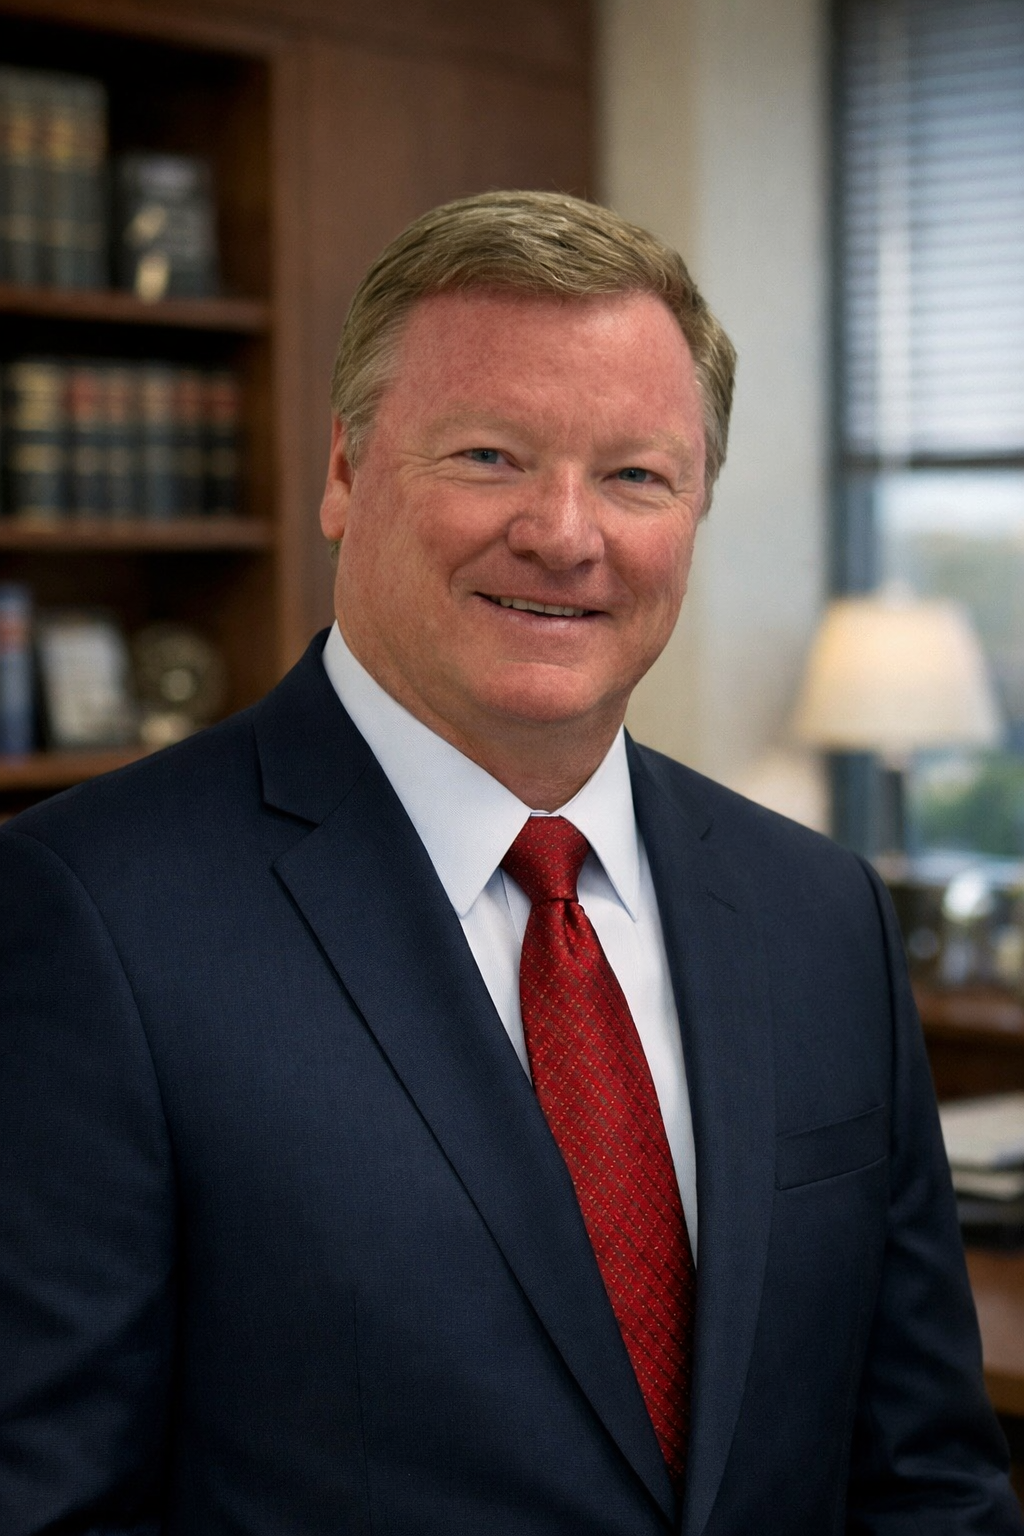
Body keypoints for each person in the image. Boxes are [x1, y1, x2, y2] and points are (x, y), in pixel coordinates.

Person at [1, 191, 1021, 1536]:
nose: (564, 533)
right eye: (489, 455)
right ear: (346, 473)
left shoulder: (817, 910)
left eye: (635, 476)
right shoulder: (87, 912)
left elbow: (928, 1481)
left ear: (696, 508)